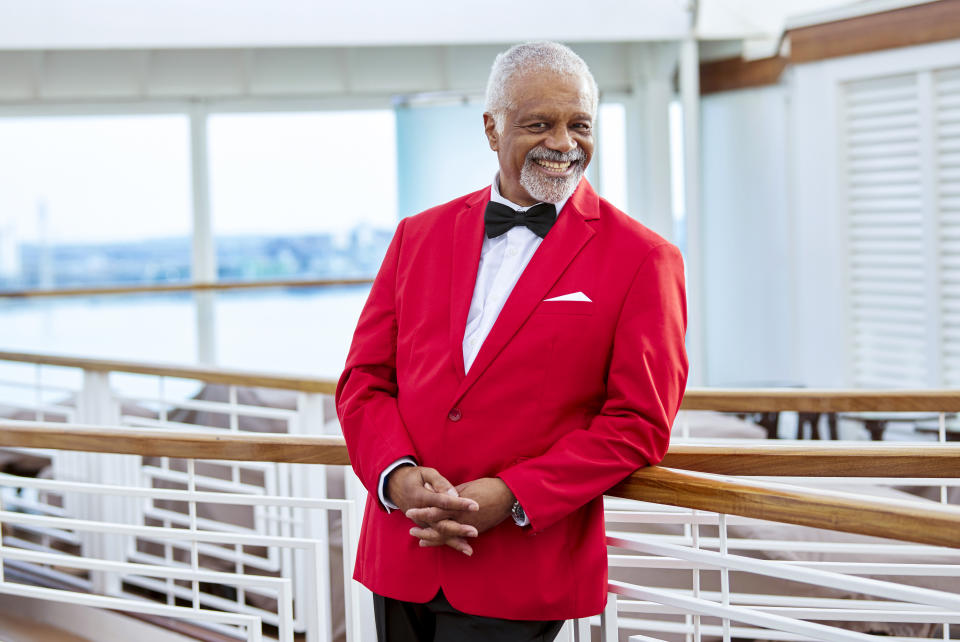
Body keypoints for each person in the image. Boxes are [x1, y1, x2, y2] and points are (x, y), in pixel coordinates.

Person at [336, 41, 688, 642]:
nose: (563, 143)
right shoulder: (416, 236)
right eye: (538, 124)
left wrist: (514, 494)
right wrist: (394, 475)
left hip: (523, 566)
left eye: (579, 124)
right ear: (491, 130)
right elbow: (364, 381)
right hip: (402, 554)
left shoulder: (645, 259)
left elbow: (638, 423)